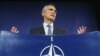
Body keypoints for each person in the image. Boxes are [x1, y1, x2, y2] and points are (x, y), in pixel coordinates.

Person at [10, 3, 87, 35]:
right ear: (43, 13)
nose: (53, 12)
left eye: (55, 11)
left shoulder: (63, 32)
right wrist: (15, 38)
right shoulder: (33, 32)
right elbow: (28, 48)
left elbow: (69, 48)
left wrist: (79, 39)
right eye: (50, 9)